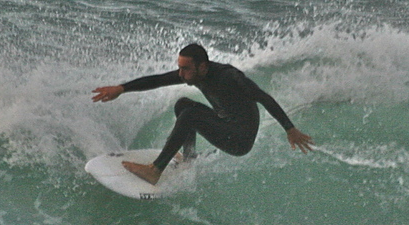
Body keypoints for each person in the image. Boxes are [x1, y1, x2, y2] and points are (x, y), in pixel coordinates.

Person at [92, 43, 313, 184]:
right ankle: (189, 159)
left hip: (240, 139)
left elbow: (263, 97)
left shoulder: (229, 77)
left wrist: (290, 129)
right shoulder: (193, 73)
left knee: (190, 115)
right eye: (179, 68)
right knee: (183, 105)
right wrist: (121, 88)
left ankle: (154, 170)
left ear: (203, 67)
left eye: (185, 69)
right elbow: (158, 80)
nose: (180, 74)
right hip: (225, 123)